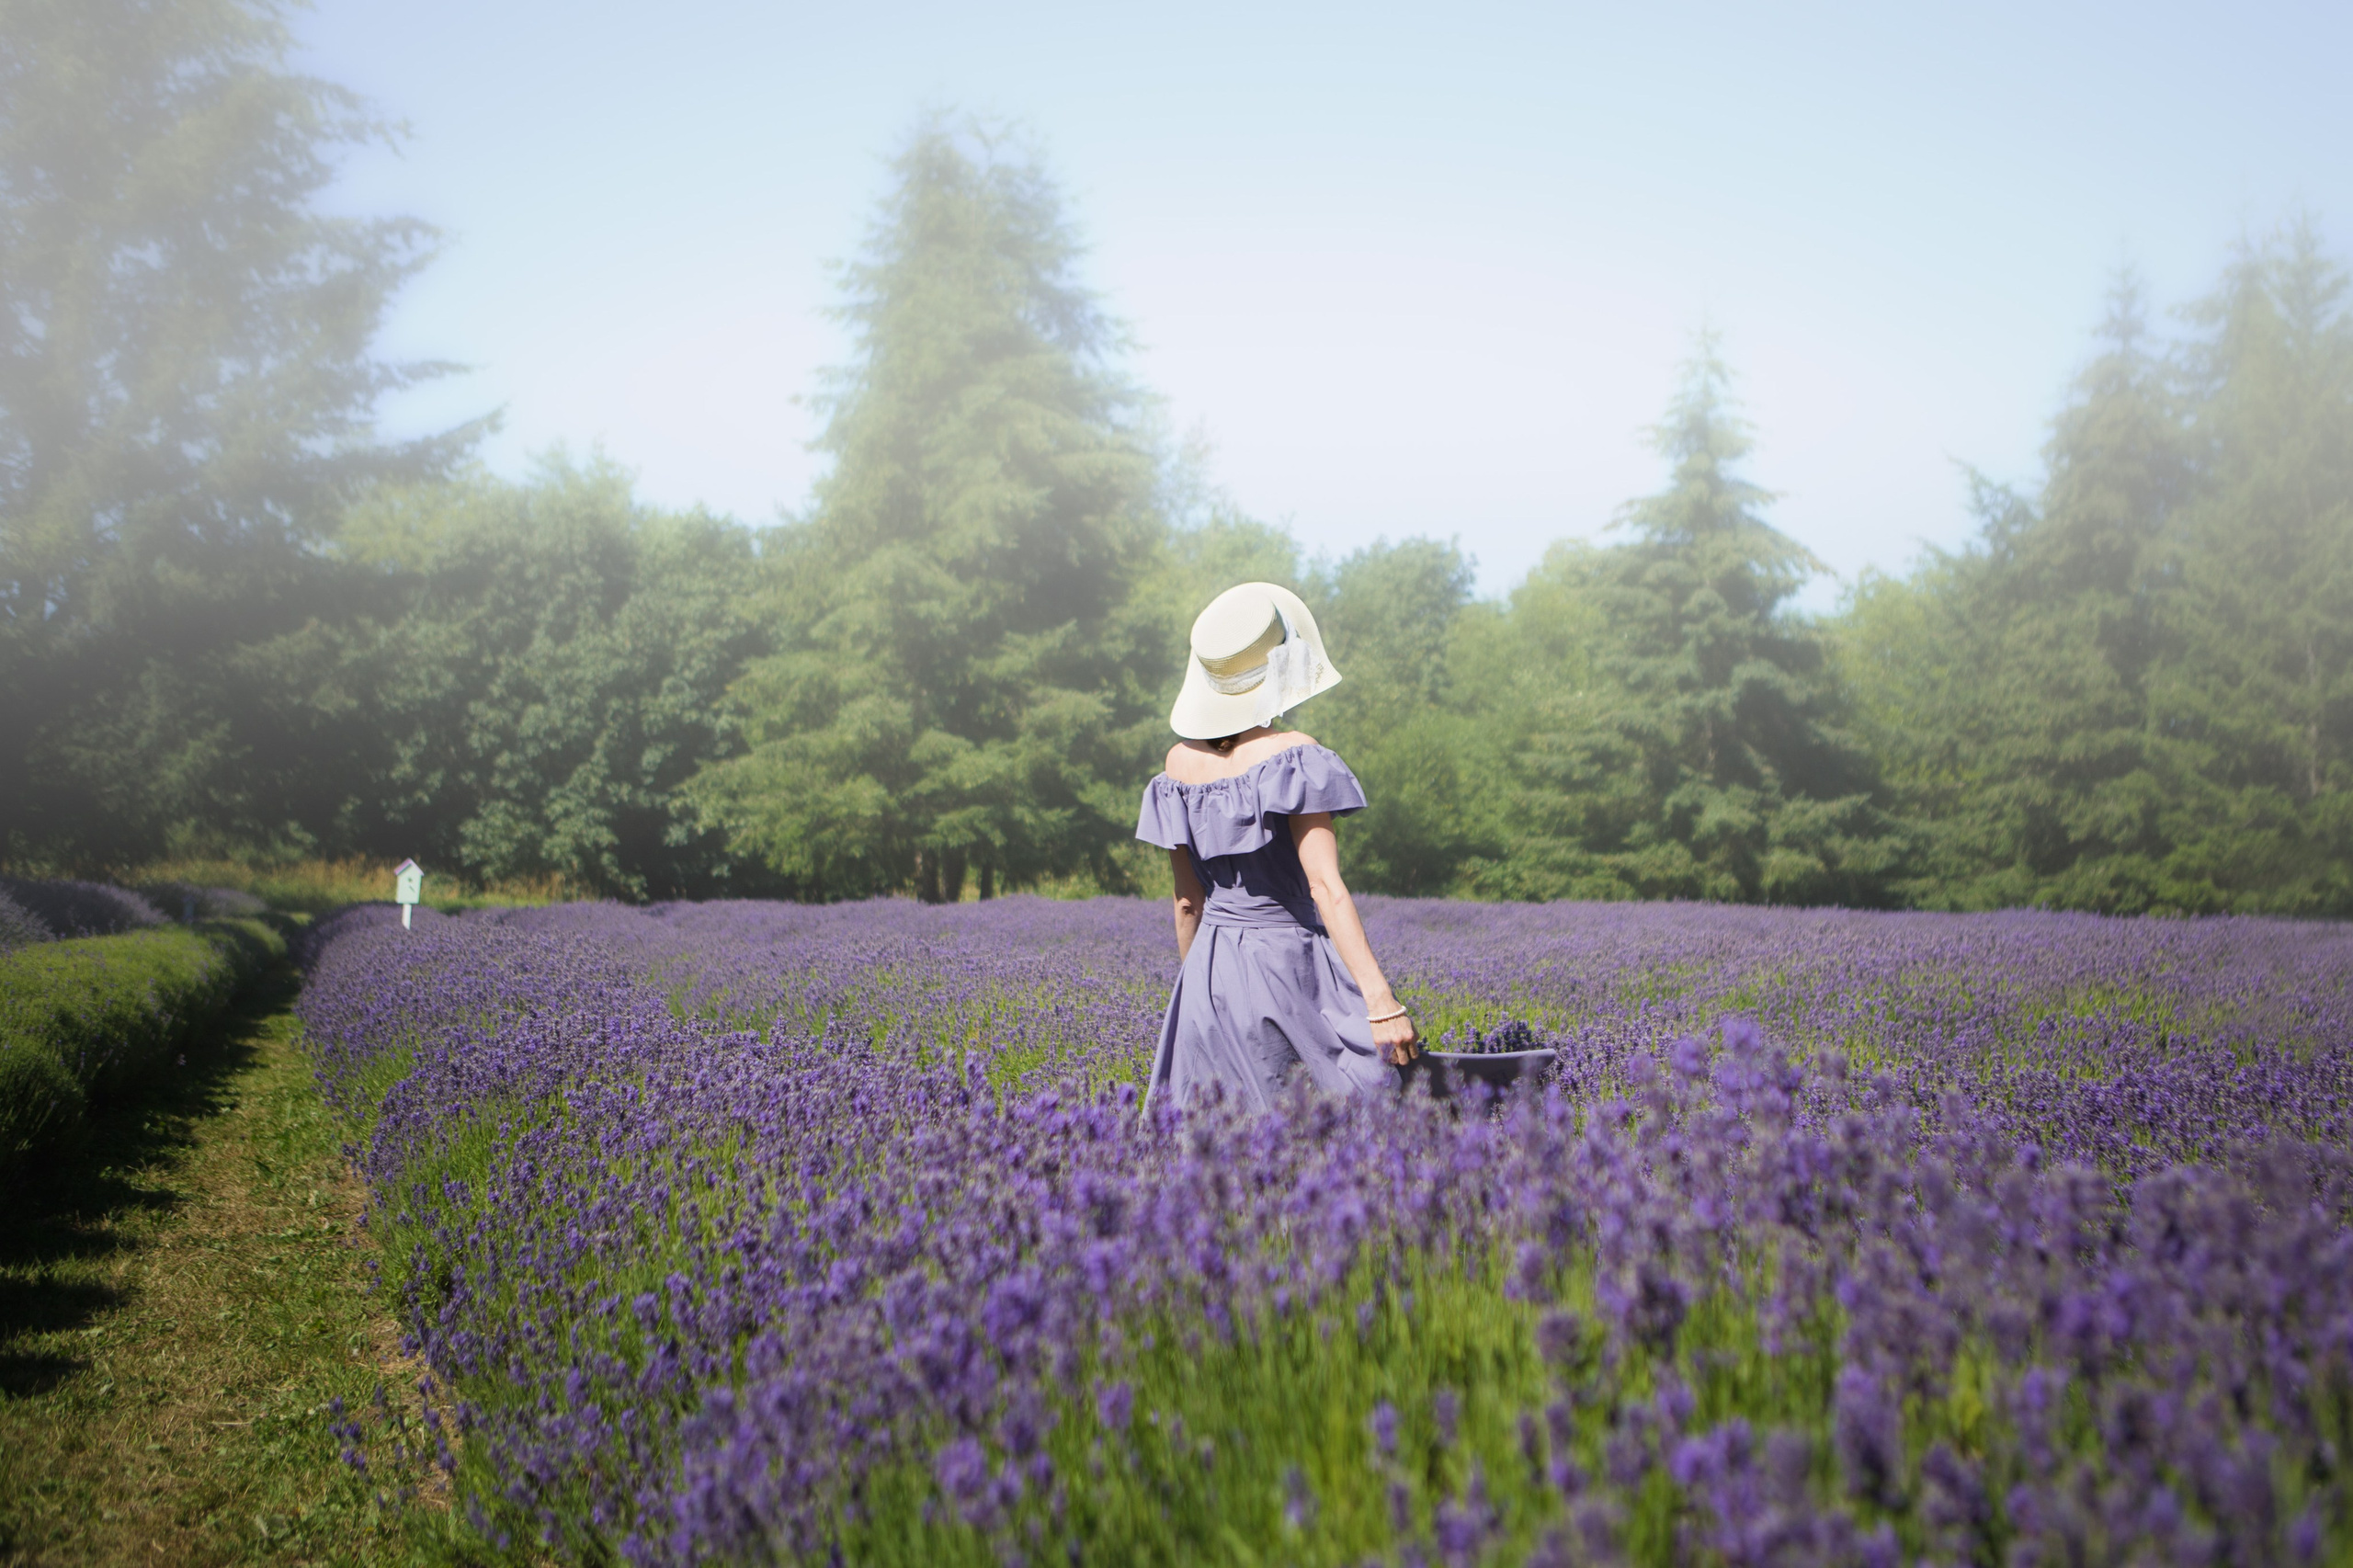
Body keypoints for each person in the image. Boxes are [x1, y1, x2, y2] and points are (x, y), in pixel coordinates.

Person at [1135, 581, 1420, 1114]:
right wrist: (1381, 1004)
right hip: (1288, 963)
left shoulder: (1175, 767)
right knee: (1352, 1113)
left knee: (1217, 1140)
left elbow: (1186, 902)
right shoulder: (1295, 756)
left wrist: (1201, 994)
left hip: (1208, 970)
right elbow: (1325, 888)